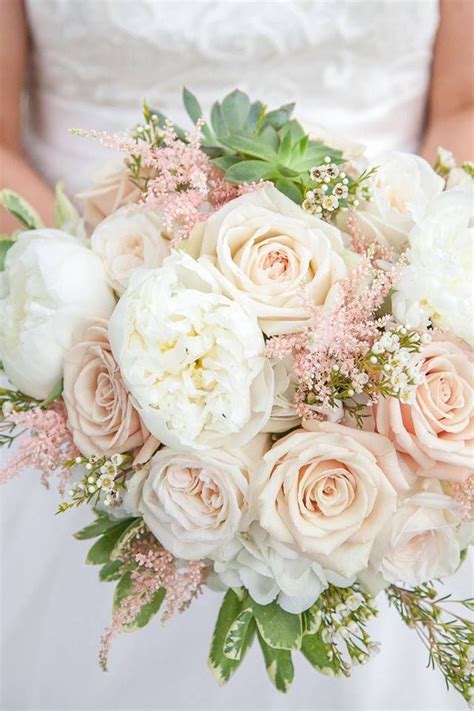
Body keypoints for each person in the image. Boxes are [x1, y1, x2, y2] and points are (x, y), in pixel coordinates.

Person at [0, 2, 472, 710]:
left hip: (388, 348)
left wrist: (384, 321)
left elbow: (462, 105)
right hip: (86, 366)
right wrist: (118, 321)